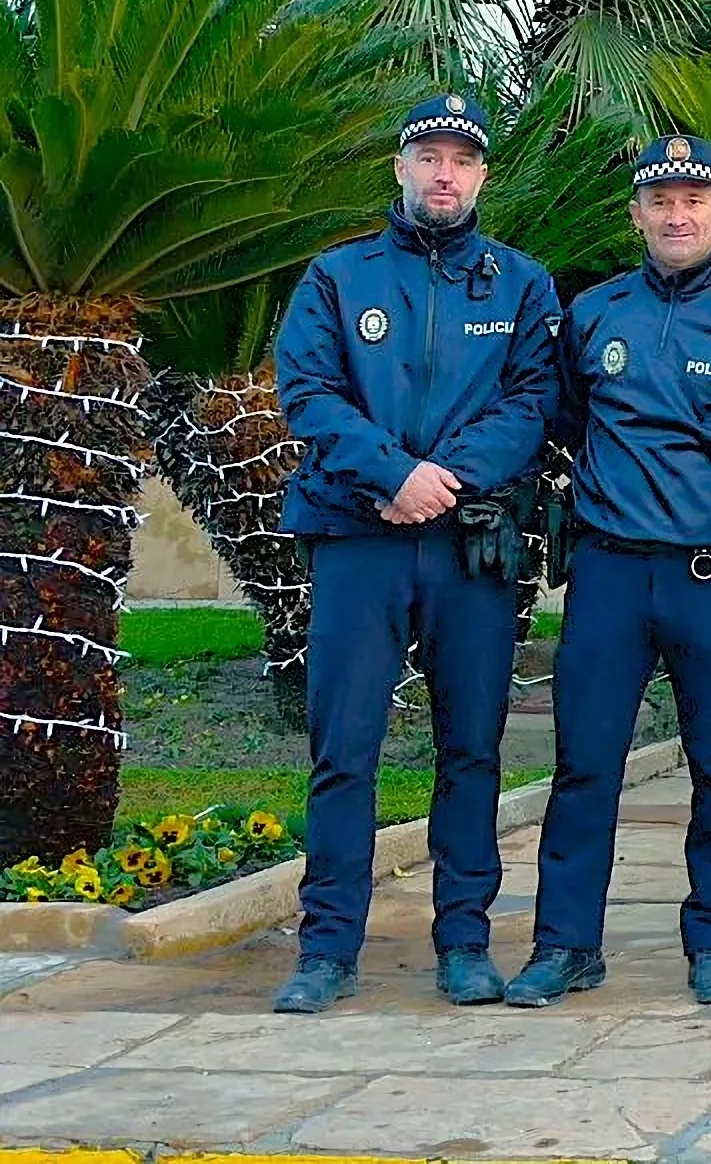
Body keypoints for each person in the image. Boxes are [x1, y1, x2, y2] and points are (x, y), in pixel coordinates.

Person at [270, 93, 562, 1014]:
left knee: (470, 748)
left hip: (469, 545)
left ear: (482, 176)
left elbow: (533, 401)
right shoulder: (336, 277)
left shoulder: (520, 283)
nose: (445, 174)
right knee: (343, 749)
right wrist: (394, 477)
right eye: (429, 157)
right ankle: (326, 952)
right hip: (360, 537)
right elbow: (309, 394)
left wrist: (447, 478)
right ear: (400, 168)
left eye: (462, 161)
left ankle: (465, 944)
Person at [504, 135, 711, 1010]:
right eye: (660, 201)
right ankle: (565, 945)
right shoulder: (593, 313)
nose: (677, 216)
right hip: (608, 574)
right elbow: (563, 424)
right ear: (636, 215)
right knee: (584, 766)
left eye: (693, 201)